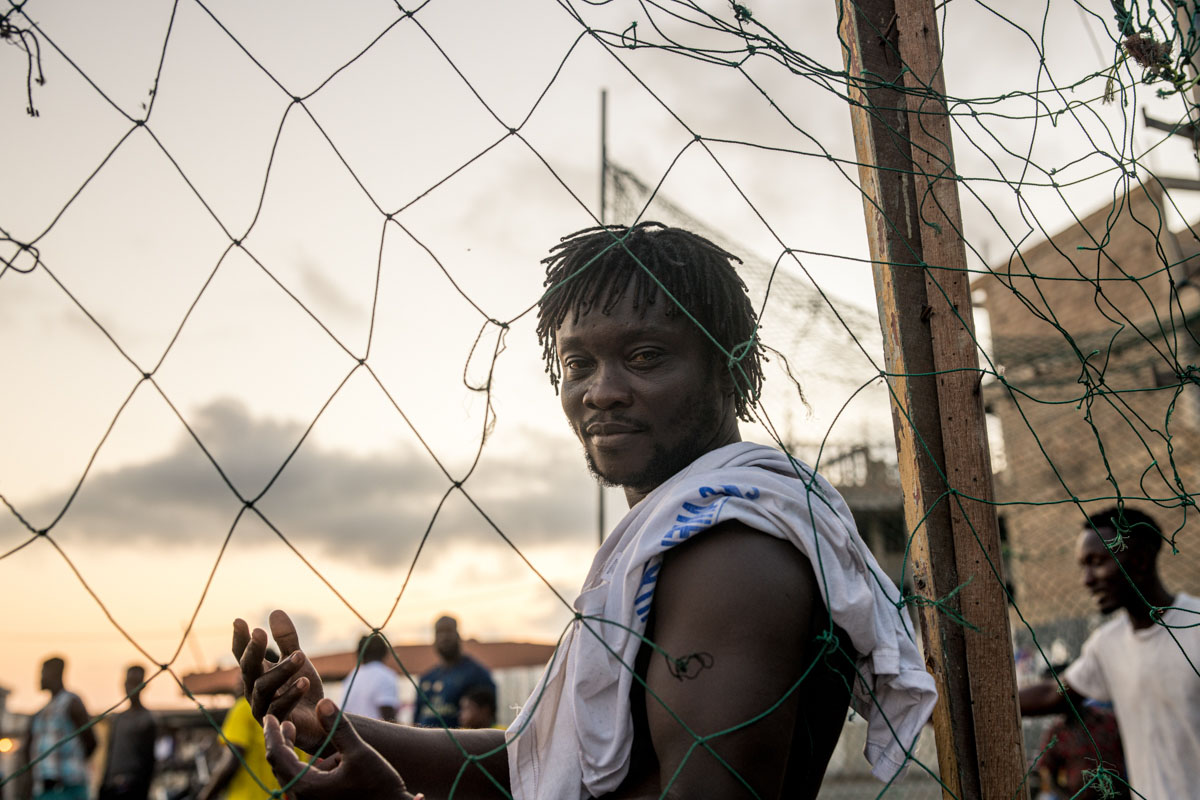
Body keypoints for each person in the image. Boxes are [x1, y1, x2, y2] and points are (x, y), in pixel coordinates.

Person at [230, 223, 937, 799]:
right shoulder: (670, 544)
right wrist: (330, 727)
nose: (602, 391)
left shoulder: (733, 555)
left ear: (732, 364)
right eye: (578, 366)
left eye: (646, 355)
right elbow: (534, 765)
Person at [1019, 507, 1200, 799]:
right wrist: (951, 702)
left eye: (1098, 562)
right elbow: (1053, 694)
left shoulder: (1195, 625)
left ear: (1140, 560)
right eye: (1083, 566)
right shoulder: (1107, 644)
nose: (1087, 579)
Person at [197, 649, 292, 800]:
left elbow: (232, 758)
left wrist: (205, 795)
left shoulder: (244, 708)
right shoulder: (290, 714)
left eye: (243, 671)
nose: (237, 679)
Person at [19, 656, 96, 800]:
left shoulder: (71, 703)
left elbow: (91, 742)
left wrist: (73, 764)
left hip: (68, 788)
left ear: (56, 673)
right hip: (44, 789)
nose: (40, 677)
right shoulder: (41, 712)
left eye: (43, 672)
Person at [412, 617, 495, 729]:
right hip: (425, 744)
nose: (444, 637)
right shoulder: (426, 678)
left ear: (458, 635)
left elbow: (487, 719)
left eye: (448, 631)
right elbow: (416, 720)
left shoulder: (477, 674)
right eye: (439, 632)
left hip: (459, 744)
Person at [97, 665, 158, 800]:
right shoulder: (118, 719)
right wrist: (103, 785)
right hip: (111, 788)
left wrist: (142, 790)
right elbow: (110, 754)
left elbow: (149, 761)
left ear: (143, 686)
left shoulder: (147, 720)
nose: (130, 687)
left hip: (133, 789)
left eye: (135, 683)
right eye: (128, 683)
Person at [339, 633, 400, 723]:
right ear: (385, 652)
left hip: (351, 734)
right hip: (374, 735)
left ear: (359, 654)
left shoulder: (351, 677)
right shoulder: (385, 676)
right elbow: (389, 718)